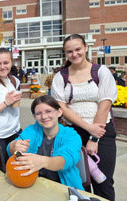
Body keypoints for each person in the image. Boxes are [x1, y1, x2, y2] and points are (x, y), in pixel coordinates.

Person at [51, 34, 117, 201]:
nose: (74, 54)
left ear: (86, 47)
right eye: (69, 51)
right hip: (73, 133)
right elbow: (61, 106)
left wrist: (94, 137)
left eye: (78, 49)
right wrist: (87, 128)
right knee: (80, 180)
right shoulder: (61, 77)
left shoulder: (100, 72)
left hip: (102, 131)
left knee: (103, 181)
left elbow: (105, 104)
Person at [7, 95, 83, 190]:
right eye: (38, 113)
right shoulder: (32, 130)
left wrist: (43, 162)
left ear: (59, 112)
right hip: (34, 185)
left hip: (64, 188)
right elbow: (13, 147)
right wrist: (13, 146)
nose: (44, 116)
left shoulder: (71, 135)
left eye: (48, 111)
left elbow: (66, 160)